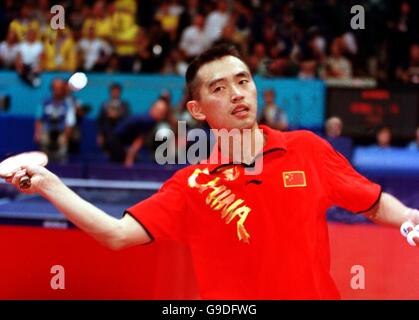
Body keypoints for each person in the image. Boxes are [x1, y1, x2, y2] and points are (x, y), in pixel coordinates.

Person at [6, 45, 419, 299]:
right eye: (219, 88)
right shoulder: (192, 185)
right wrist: (46, 183)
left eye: (243, 81)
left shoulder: (307, 149)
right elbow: (116, 235)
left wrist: (408, 218)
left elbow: (372, 201)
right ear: (197, 111)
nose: (237, 93)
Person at [34, 78, 76, 162]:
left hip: (61, 132)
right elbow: (39, 119)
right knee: (43, 141)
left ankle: (62, 166)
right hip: (47, 131)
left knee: (62, 144)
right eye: (55, 88)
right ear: (52, 89)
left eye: (60, 88)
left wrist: (66, 137)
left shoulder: (68, 104)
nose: (57, 91)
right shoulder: (44, 102)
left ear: (63, 89)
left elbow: (69, 123)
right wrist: (37, 133)